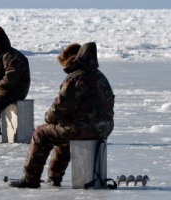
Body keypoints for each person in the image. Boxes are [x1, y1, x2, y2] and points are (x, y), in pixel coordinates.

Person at [8, 42, 115, 188]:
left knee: (41, 133)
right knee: (63, 133)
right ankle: (54, 177)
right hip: (104, 128)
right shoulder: (101, 77)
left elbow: (60, 107)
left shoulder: (76, 78)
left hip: (83, 128)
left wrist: (48, 118)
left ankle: (31, 178)